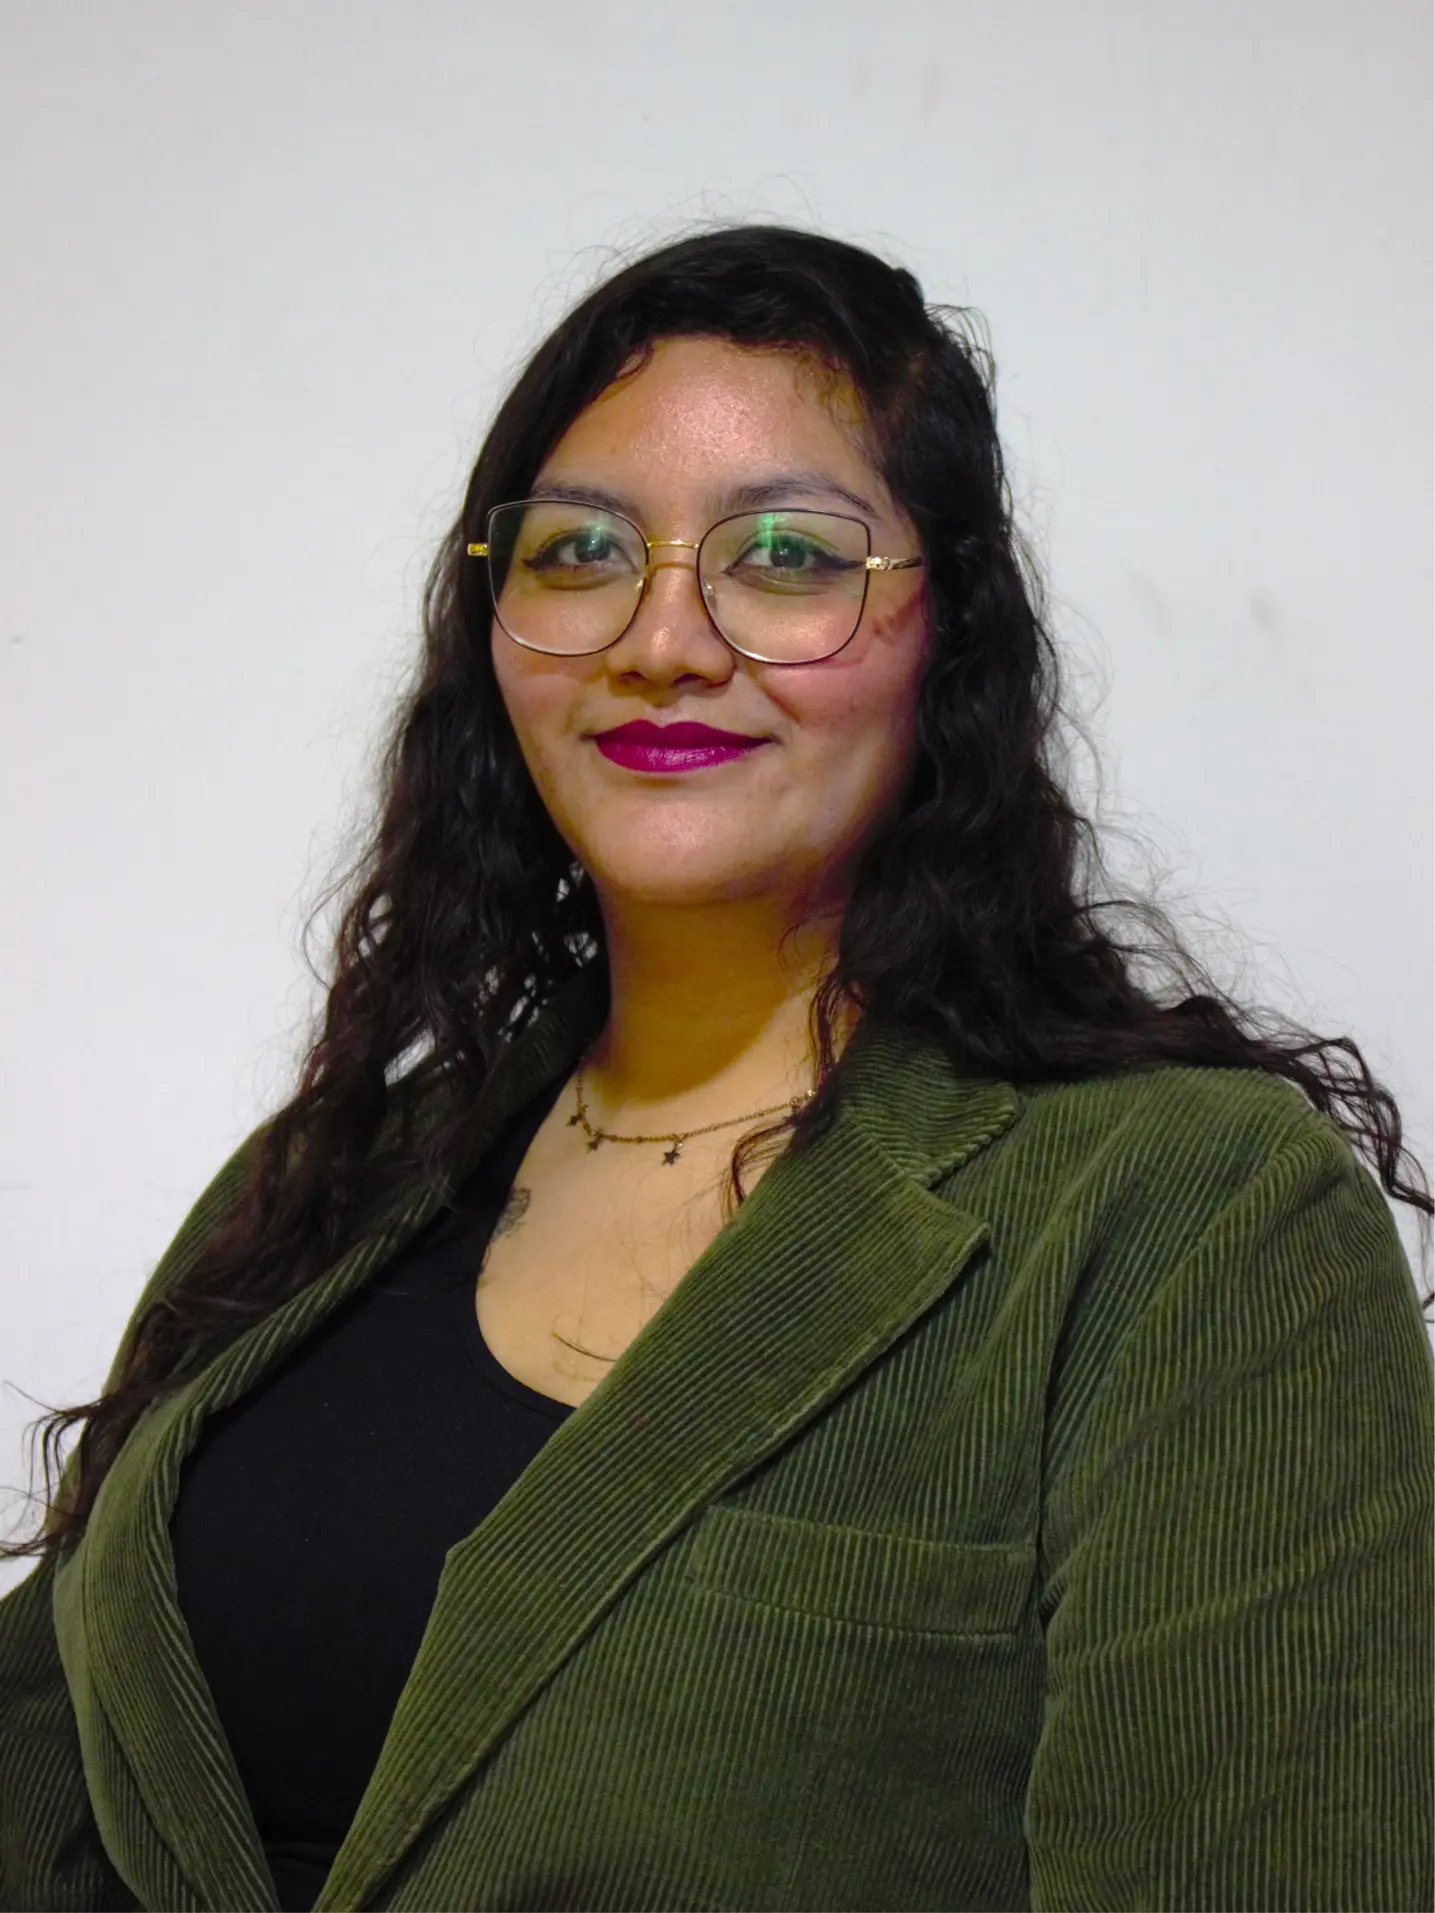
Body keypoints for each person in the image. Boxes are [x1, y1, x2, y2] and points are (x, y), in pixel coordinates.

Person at [2, 225, 1433, 1913]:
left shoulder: (1185, 1216)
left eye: (783, 556)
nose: (662, 639)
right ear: (492, 629)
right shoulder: (318, 1188)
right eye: (579, 550)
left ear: (944, 640)